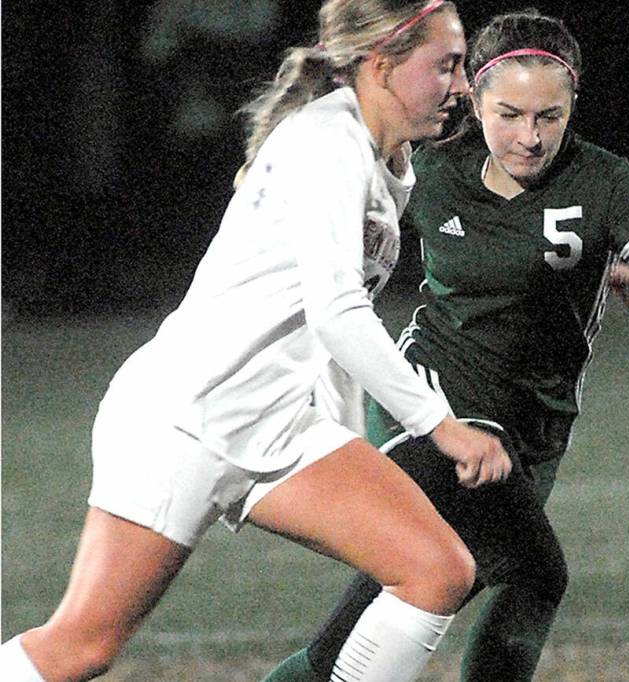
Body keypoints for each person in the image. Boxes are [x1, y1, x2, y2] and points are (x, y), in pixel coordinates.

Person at [0, 2, 515, 681]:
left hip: (274, 424)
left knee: (436, 571)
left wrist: (347, 446)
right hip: (187, 420)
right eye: (446, 66)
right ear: (383, 63)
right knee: (81, 649)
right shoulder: (325, 142)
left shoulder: (388, 157)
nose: (461, 87)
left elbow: (333, 321)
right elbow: (337, 313)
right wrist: (439, 427)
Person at [261, 8, 629, 682]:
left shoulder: (607, 183)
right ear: (473, 96)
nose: (529, 137)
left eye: (549, 117)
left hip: (532, 433)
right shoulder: (433, 167)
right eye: (509, 114)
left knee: (414, 596)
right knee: (536, 573)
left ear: (573, 103)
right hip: (433, 408)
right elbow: (339, 217)